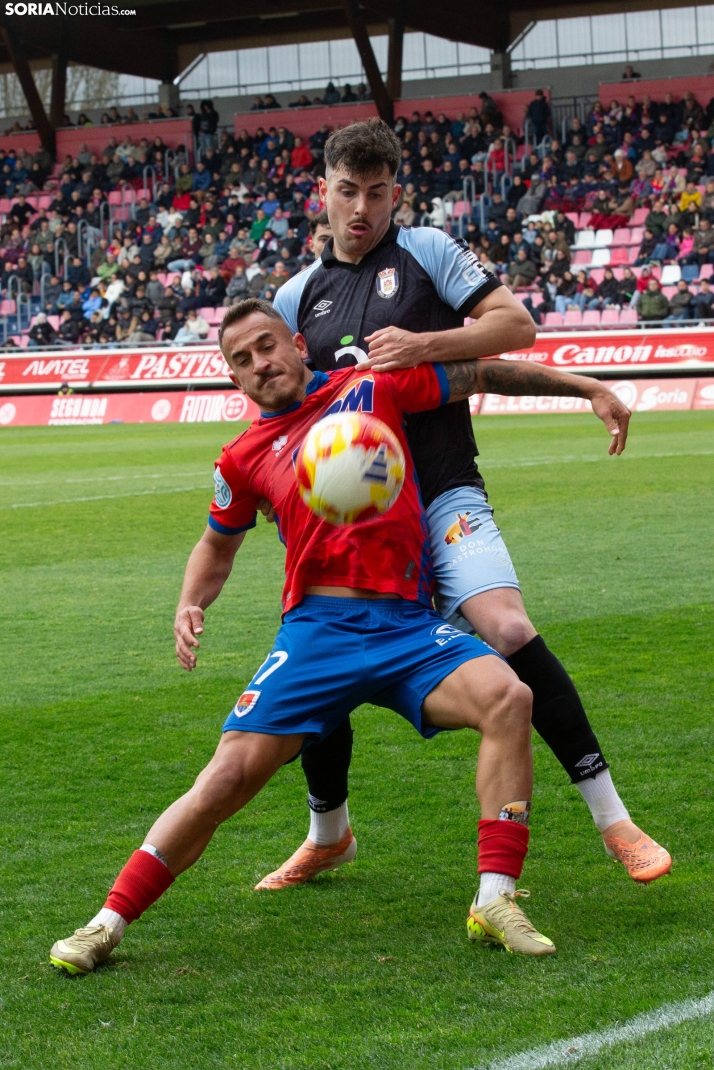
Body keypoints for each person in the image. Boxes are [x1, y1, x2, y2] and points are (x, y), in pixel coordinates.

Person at [49, 297, 562, 975]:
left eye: (267, 346)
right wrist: (188, 602)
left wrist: (585, 389)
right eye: (242, 360)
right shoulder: (241, 457)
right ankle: (105, 924)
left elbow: (481, 374)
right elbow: (216, 545)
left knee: (508, 697)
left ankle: (495, 900)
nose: (261, 364)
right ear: (234, 380)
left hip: (406, 624)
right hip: (317, 632)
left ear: (295, 343)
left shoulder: (371, 386)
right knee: (225, 777)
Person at [265, 118, 670, 890]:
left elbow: (512, 329)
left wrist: (426, 344)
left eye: (377, 194)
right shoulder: (297, 296)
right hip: (356, 523)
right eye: (347, 191)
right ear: (322, 190)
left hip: (445, 490)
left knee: (509, 627)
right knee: (318, 654)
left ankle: (614, 819)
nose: (362, 209)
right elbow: (287, 412)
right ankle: (328, 834)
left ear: (395, 193)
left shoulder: (427, 253)